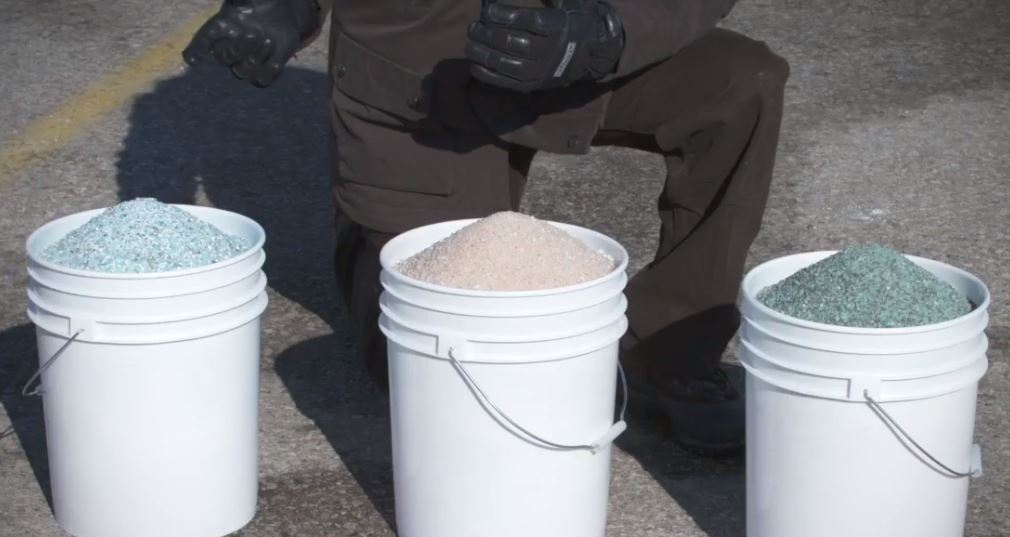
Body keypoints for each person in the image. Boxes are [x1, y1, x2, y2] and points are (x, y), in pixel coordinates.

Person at [183, 0, 789, 455]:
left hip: (570, 47)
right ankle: (373, 258)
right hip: (418, 83)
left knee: (740, 82)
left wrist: (607, 34)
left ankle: (673, 351)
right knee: (436, 370)